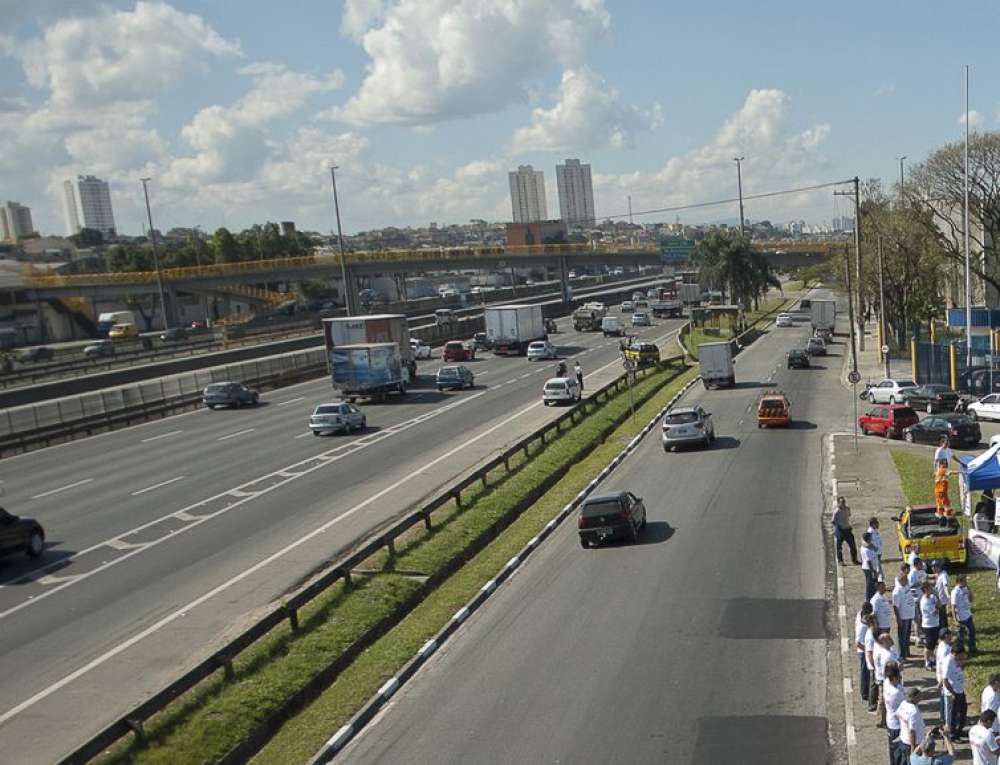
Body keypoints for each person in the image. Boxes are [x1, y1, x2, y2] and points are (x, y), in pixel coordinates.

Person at [874, 633, 901, 728]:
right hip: (887, 679)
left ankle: (883, 719)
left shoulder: (892, 651)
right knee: (883, 699)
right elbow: (887, 668)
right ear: (884, 642)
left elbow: (897, 659)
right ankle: (880, 720)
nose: (891, 640)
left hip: (891, 677)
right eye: (888, 639)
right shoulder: (886, 655)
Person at [942, 648, 968, 740]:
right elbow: (945, 680)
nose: (962, 658)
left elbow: (960, 670)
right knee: (952, 716)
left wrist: (961, 664)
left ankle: (959, 731)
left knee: (963, 712)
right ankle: (952, 735)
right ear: (954, 653)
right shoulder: (948, 662)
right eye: (961, 656)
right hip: (952, 693)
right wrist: (953, 693)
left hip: (960, 690)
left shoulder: (957, 660)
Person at [883, 661, 906, 765]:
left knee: (892, 750)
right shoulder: (897, 693)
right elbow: (906, 702)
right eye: (899, 677)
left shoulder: (886, 683)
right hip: (897, 725)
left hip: (890, 721)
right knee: (899, 752)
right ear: (895, 678)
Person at [897, 686, 926, 763]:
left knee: (903, 761)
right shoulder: (913, 711)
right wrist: (913, 748)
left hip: (903, 739)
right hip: (912, 744)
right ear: (915, 697)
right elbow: (912, 731)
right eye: (920, 695)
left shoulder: (903, 703)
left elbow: (898, 715)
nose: (921, 696)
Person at [893, 567, 916, 660]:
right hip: (903, 617)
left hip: (910, 614)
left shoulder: (906, 586)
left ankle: (907, 652)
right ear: (901, 580)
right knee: (902, 637)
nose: (907, 581)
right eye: (906, 580)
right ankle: (901, 655)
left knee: (907, 636)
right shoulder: (897, 592)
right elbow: (895, 607)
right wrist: (898, 619)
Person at [951, 574, 977, 654]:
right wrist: (955, 620)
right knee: (961, 637)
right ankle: (959, 652)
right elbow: (953, 607)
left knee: (972, 632)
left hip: (968, 615)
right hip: (961, 618)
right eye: (964, 581)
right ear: (959, 582)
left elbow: (971, 599)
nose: (966, 582)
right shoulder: (955, 592)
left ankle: (972, 649)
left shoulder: (965, 588)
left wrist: (969, 590)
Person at [920, 581, 941, 671]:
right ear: (925, 590)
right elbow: (935, 611)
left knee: (933, 644)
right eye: (929, 588)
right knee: (928, 645)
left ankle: (932, 660)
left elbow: (939, 605)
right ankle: (927, 662)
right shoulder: (924, 601)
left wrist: (937, 602)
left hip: (936, 623)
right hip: (928, 626)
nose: (931, 589)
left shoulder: (932, 597)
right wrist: (937, 606)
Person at [833, 496, 860, 564]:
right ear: (838, 503)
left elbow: (848, 516)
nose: (843, 503)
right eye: (842, 502)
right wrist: (838, 527)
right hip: (840, 530)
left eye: (844, 502)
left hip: (847, 530)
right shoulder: (836, 511)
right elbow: (833, 521)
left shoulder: (847, 509)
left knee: (853, 545)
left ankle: (854, 560)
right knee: (839, 547)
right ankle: (840, 561)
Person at [857, 602, 875, 703]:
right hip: (863, 651)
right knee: (865, 673)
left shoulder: (861, 615)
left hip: (865, 650)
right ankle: (864, 693)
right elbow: (858, 643)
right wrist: (868, 651)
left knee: (867, 673)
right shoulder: (862, 627)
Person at [936, 630, 954, 726]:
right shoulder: (945, 649)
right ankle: (947, 722)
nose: (951, 635)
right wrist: (942, 680)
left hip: (940, 676)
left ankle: (943, 718)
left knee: (943, 698)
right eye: (950, 634)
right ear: (946, 635)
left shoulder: (941, 645)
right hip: (944, 677)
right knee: (947, 701)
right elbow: (944, 665)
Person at [910, 558, 929, 646]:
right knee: (916, 619)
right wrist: (921, 583)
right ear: (916, 565)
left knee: (922, 617)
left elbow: (927, 577)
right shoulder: (912, 574)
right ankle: (917, 637)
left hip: (923, 598)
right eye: (920, 564)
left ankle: (922, 634)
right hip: (916, 599)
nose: (922, 565)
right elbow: (911, 585)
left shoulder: (922, 571)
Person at [865, 612, 880, 712]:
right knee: (873, 684)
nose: (877, 623)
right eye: (876, 621)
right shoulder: (870, 635)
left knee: (875, 683)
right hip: (873, 664)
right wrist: (874, 666)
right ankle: (872, 704)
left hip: (875, 661)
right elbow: (869, 652)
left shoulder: (873, 632)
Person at [935, 461, 956, 527]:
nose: (947, 466)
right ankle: (949, 522)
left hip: (937, 492)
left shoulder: (937, 472)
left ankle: (941, 522)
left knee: (940, 506)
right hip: (942, 492)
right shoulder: (943, 470)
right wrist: (961, 472)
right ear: (942, 465)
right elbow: (951, 472)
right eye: (946, 464)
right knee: (947, 506)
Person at [862, 531, 881, 601]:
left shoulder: (869, 546)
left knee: (874, 583)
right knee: (869, 584)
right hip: (869, 569)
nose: (872, 539)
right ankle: (868, 598)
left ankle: (874, 596)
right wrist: (873, 571)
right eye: (870, 538)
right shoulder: (866, 549)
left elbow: (876, 550)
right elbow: (868, 561)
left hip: (873, 567)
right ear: (868, 539)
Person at [934, 561, 951, 631]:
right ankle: (945, 630)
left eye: (934, 567)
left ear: (939, 567)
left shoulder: (943, 575)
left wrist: (948, 595)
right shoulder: (939, 574)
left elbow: (945, 585)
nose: (933, 568)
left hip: (942, 600)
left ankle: (944, 632)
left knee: (942, 617)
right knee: (943, 617)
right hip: (939, 600)